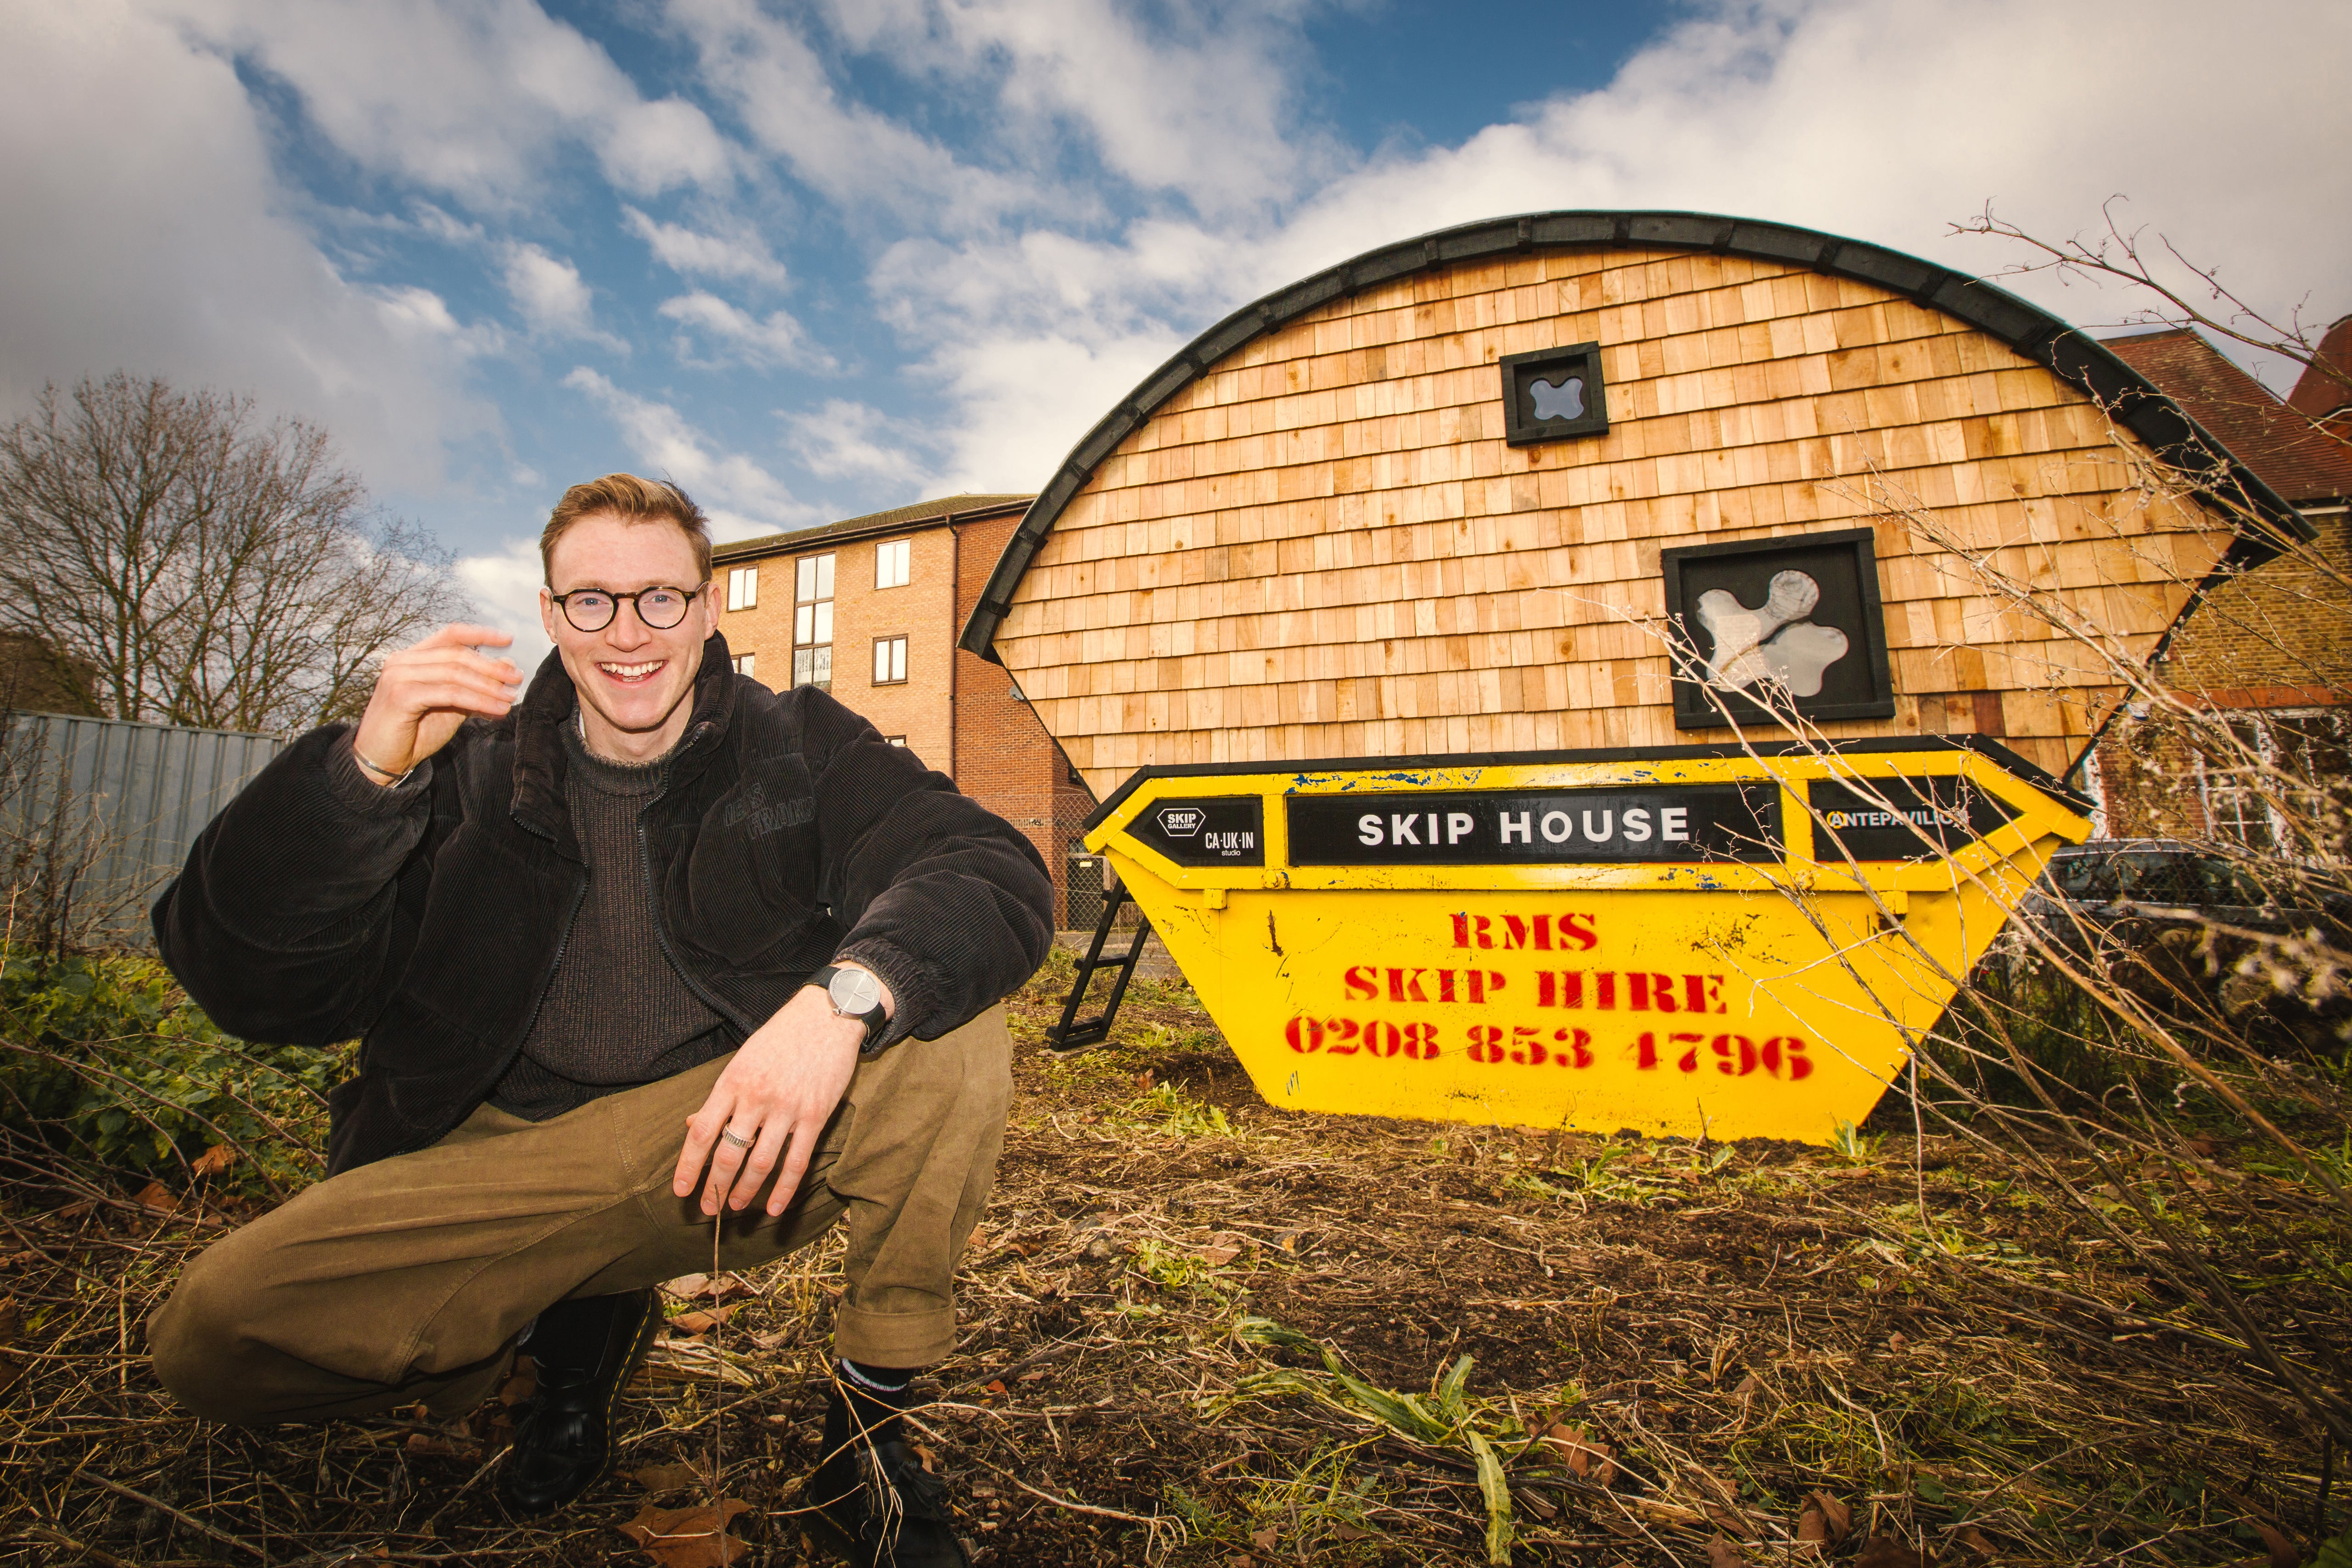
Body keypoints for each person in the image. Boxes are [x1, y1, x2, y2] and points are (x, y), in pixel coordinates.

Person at [146, 475, 1053, 1568]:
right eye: (593, 601)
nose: (629, 633)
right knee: (209, 1337)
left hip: (710, 1144)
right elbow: (248, 985)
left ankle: (866, 1426)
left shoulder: (802, 743)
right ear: (548, 614)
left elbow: (983, 862)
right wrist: (360, 776)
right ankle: (549, 1341)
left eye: (660, 598)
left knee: (938, 1016)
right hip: (494, 1149)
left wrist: (839, 1001)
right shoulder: (455, 771)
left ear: (709, 608)